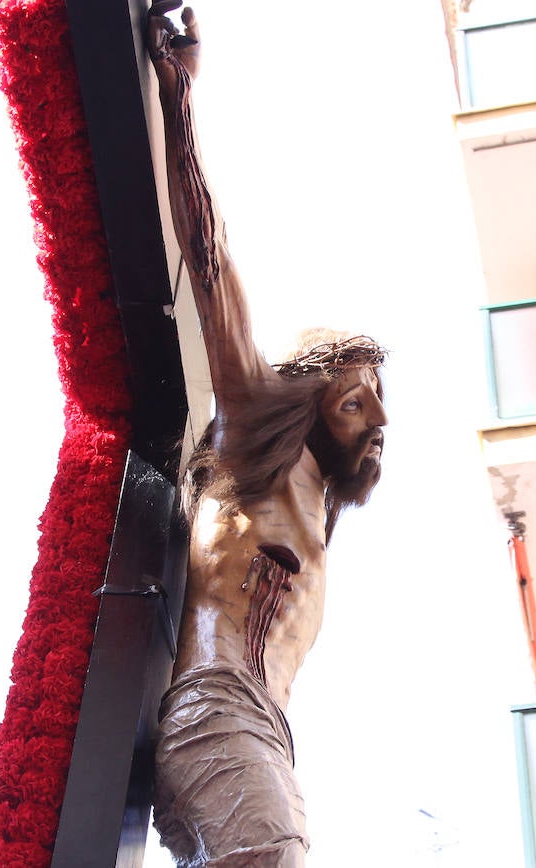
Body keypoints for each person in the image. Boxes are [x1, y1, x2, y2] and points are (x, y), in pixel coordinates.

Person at [146, 5, 388, 865]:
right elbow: (206, 254)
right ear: (311, 398)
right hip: (216, 705)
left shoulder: (318, 506)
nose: (379, 424)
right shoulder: (257, 427)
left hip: (271, 734)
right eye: (358, 402)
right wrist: (178, 95)